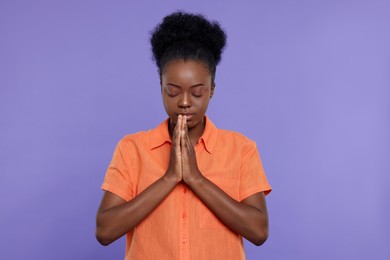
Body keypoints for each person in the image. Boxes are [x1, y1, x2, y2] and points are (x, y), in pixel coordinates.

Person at [96, 11, 271, 260]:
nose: (185, 102)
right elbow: (104, 230)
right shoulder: (131, 148)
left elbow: (259, 231)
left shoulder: (242, 150)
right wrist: (169, 178)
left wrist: (196, 179)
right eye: (173, 91)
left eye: (197, 92)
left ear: (211, 90)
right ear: (161, 87)